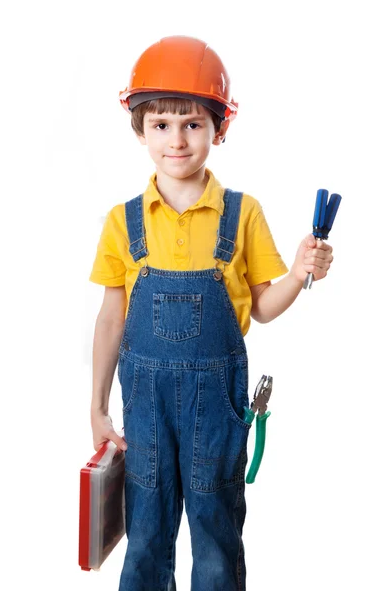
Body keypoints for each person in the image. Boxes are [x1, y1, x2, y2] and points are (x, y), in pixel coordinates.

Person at [89, 35, 334, 591]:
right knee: (147, 534)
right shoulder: (122, 222)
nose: (177, 139)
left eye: (193, 124)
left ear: (219, 128)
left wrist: (299, 271)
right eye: (161, 125)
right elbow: (110, 321)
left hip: (216, 408)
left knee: (216, 531)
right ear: (140, 129)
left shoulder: (242, 214)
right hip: (145, 409)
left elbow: (264, 307)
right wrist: (98, 407)